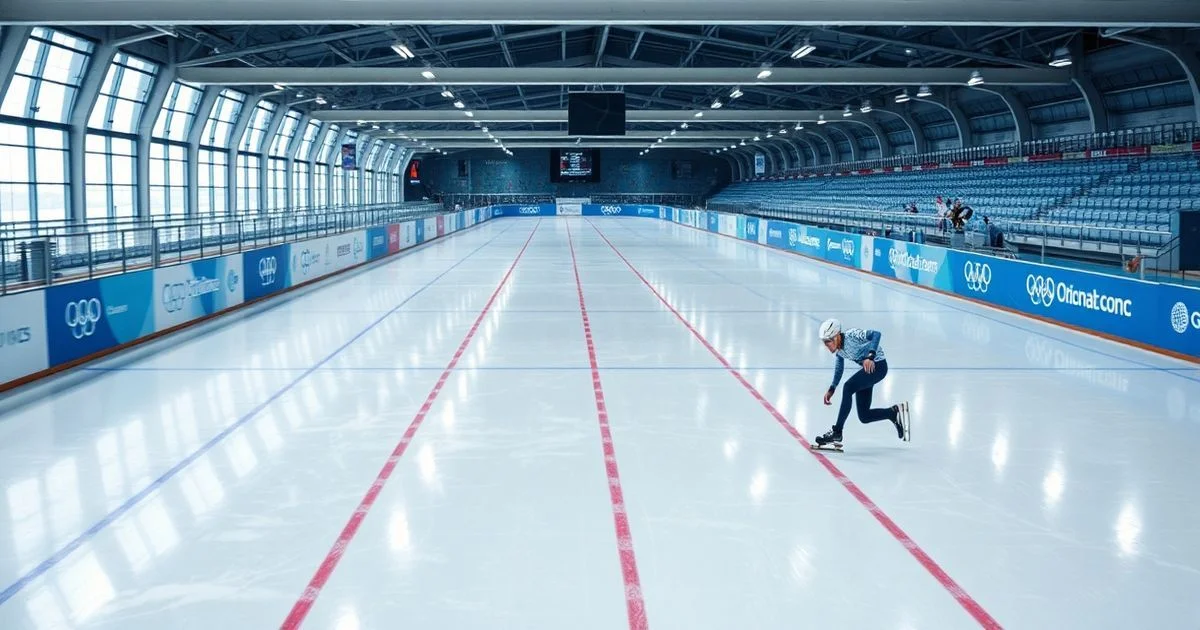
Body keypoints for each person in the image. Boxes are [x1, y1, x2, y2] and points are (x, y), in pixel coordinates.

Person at [813, 318, 910, 449]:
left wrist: (870, 356)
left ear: (836, 337)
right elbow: (839, 367)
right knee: (864, 416)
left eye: (828, 341)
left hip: (878, 366)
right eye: (825, 343)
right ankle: (892, 413)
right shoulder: (840, 351)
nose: (827, 345)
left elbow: (876, 334)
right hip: (868, 370)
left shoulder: (852, 335)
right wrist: (832, 388)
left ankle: (837, 432)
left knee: (848, 387)